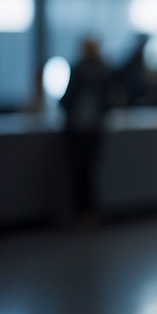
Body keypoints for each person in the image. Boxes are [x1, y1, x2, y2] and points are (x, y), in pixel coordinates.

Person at [60, 38, 113, 226]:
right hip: (95, 131)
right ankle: (90, 215)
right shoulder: (104, 71)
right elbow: (109, 102)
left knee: (77, 174)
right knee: (90, 173)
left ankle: (77, 214)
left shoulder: (78, 69)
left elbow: (67, 99)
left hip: (76, 130)